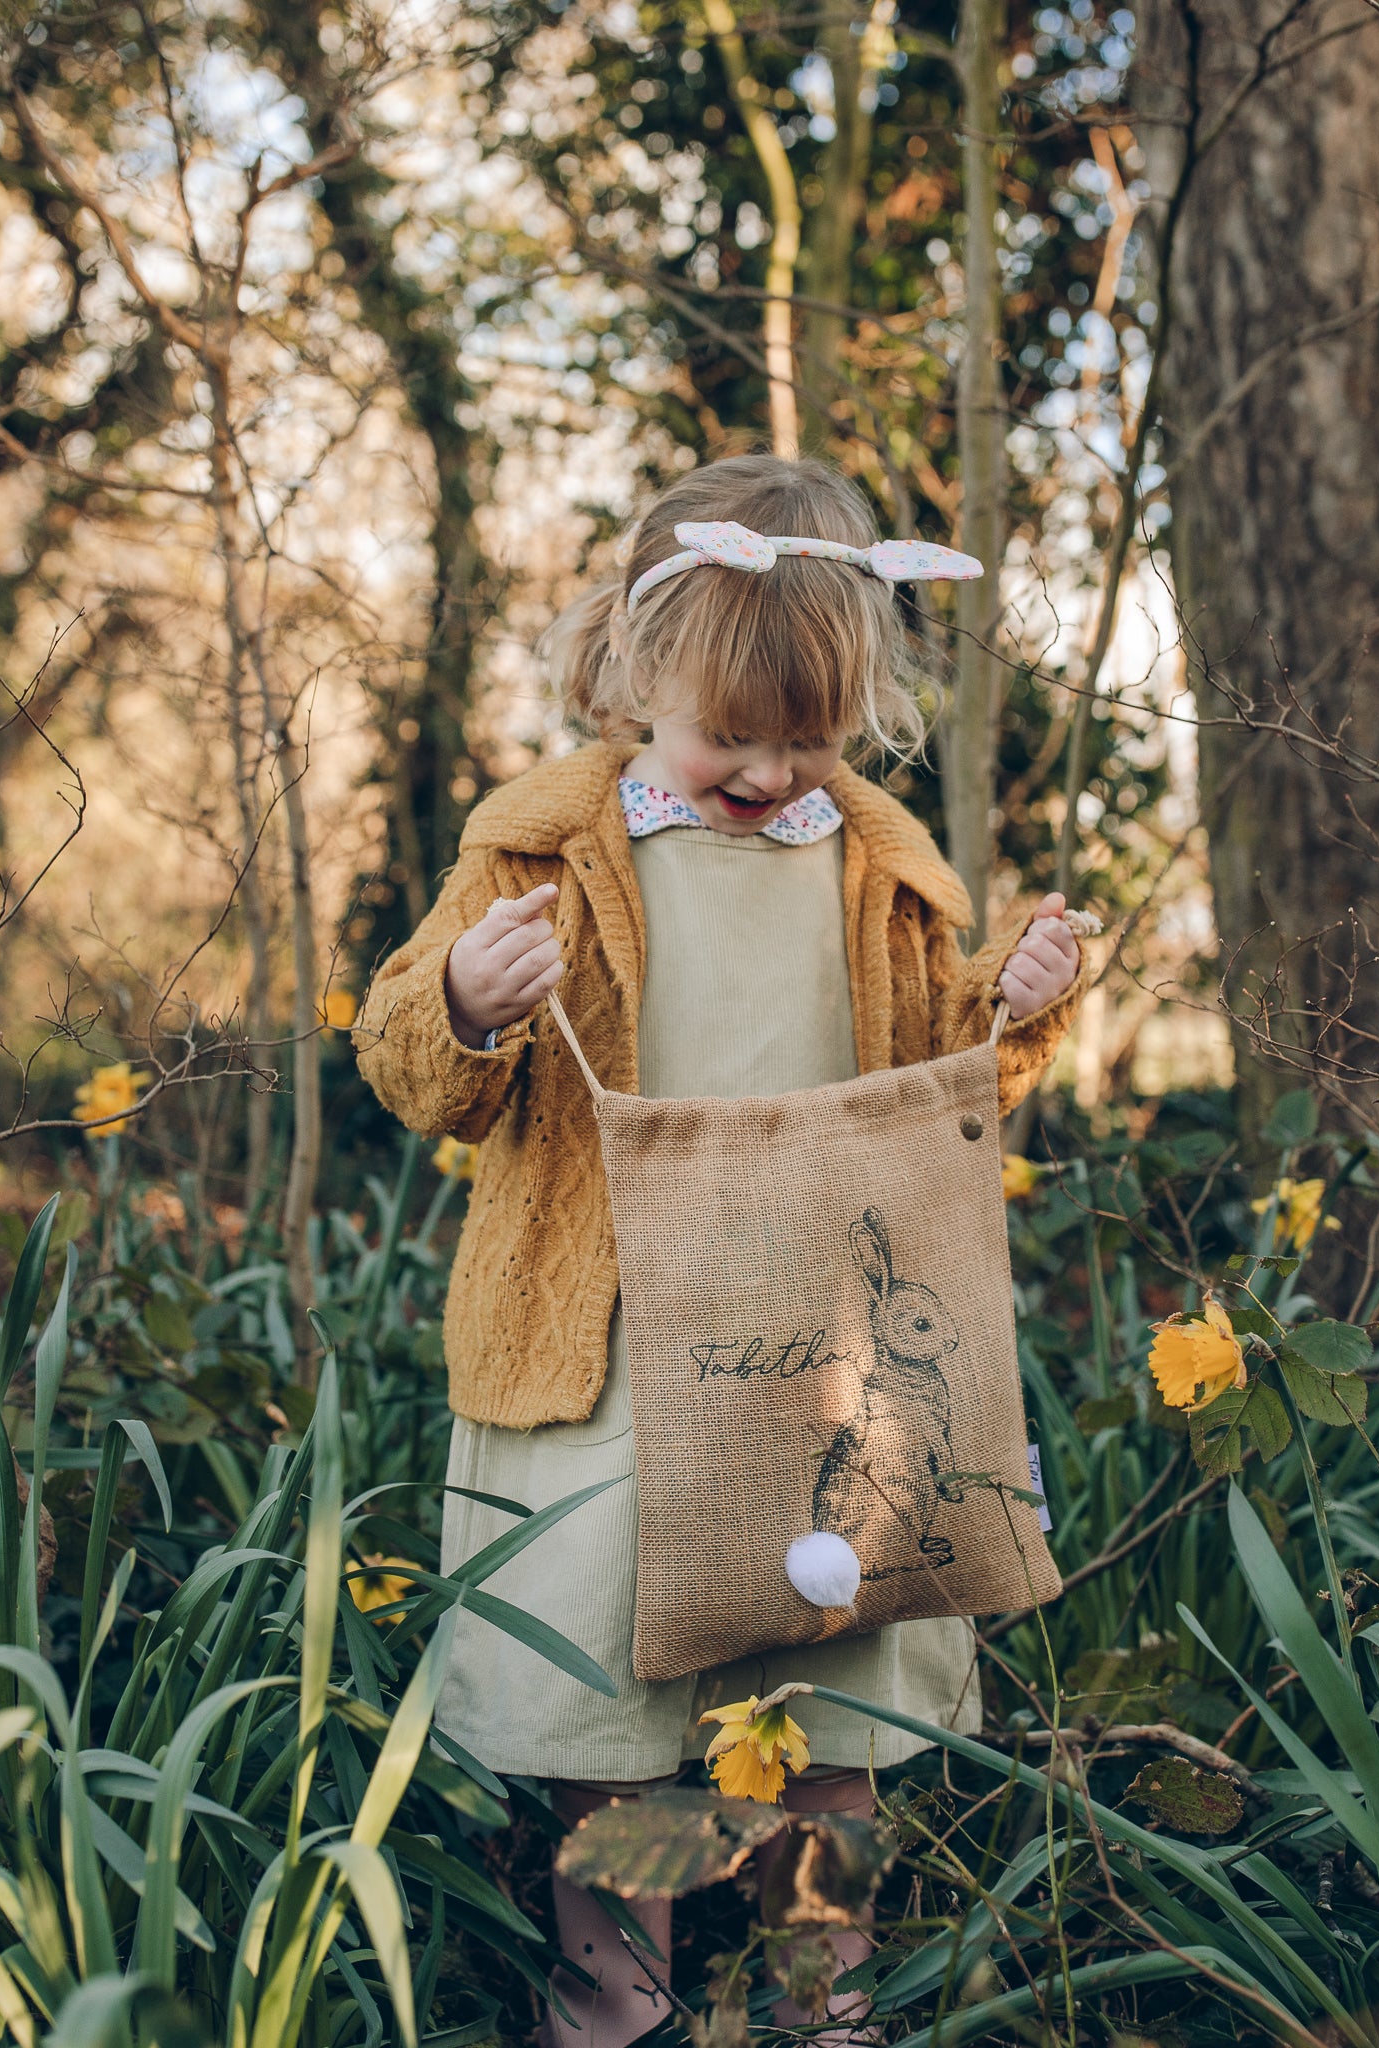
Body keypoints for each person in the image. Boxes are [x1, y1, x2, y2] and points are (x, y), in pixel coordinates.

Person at [356, 454, 1088, 2046]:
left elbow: (934, 1074)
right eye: (725, 733)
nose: (765, 769)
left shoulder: (878, 867)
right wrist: (467, 1003)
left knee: (829, 1694)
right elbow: (412, 1063)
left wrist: (1010, 1011)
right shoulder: (544, 851)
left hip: (825, 1342)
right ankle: (613, 1991)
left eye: (808, 737)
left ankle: (816, 1983)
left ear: (865, 711)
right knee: (617, 1702)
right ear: (633, 670)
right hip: (616, 1343)